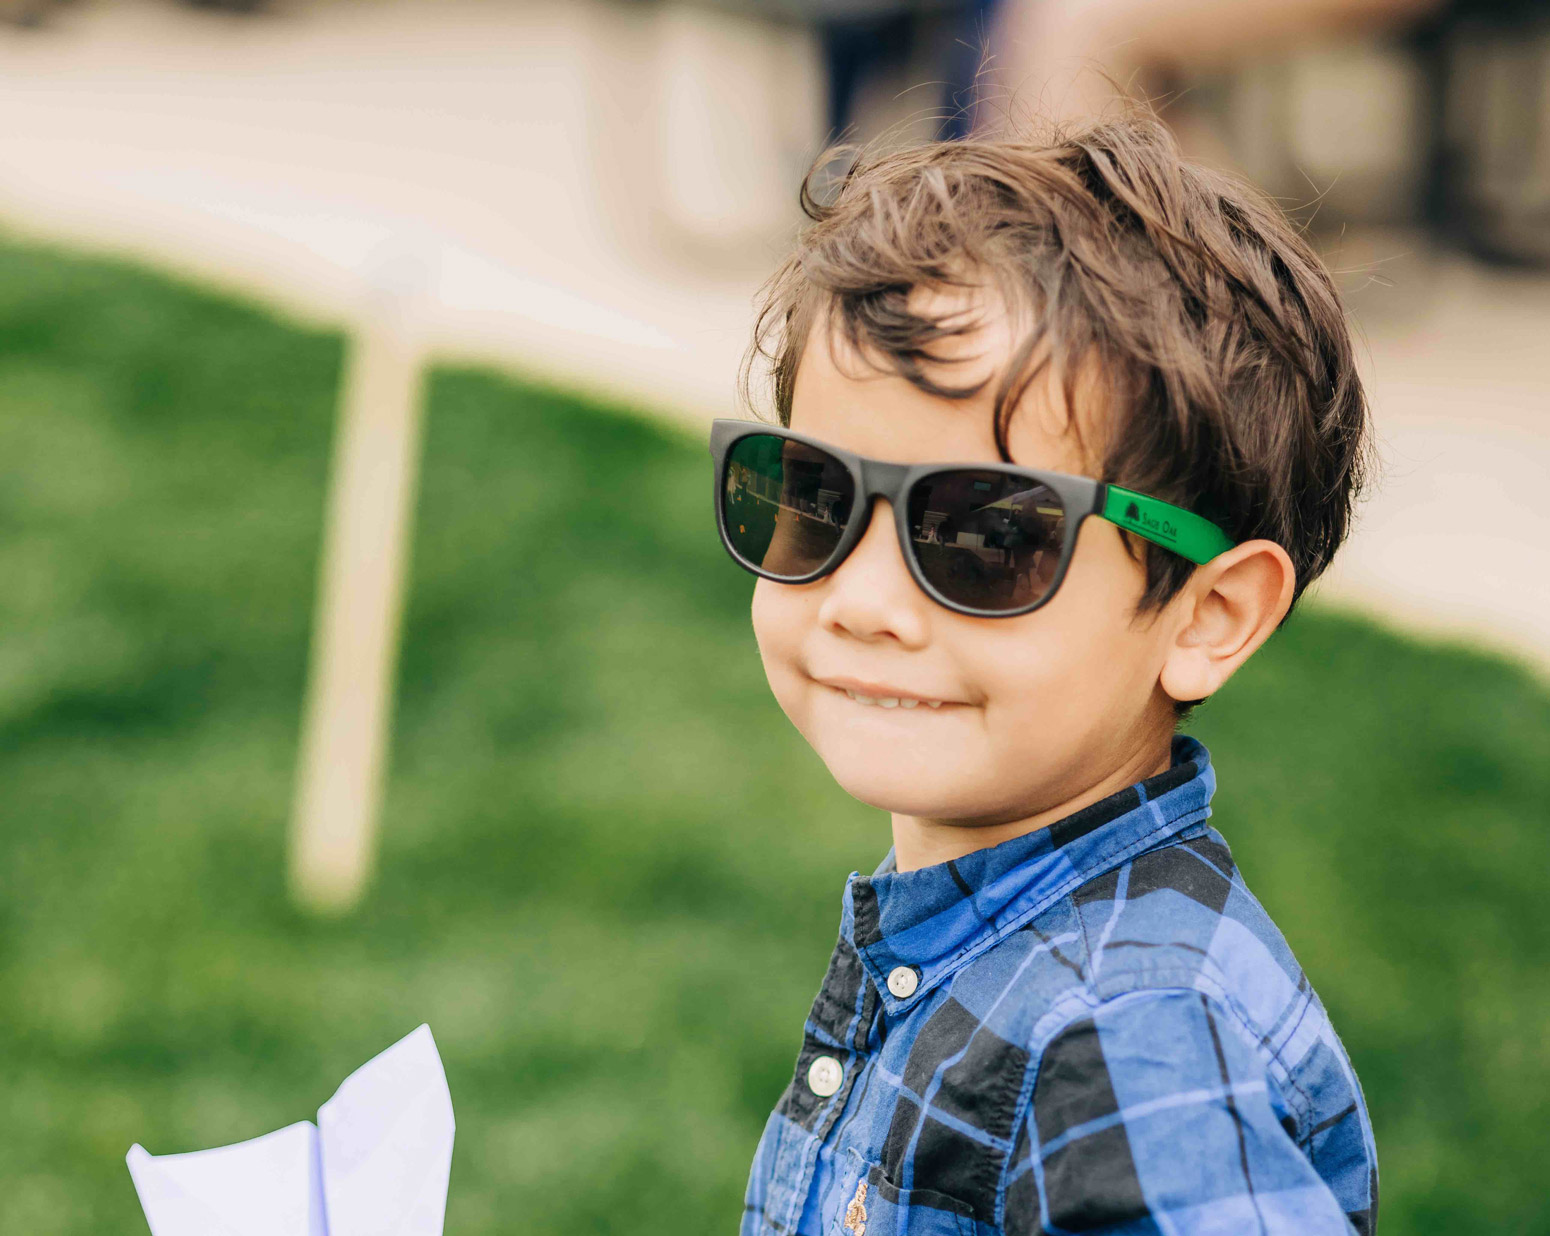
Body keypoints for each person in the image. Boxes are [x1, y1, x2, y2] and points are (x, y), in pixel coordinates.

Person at [712, 106, 1378, 1234]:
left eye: (983, 536)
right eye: (815, 496)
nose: (862, 601)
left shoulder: (1134, 1045)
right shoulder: (994, 950)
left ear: (1207, 614)